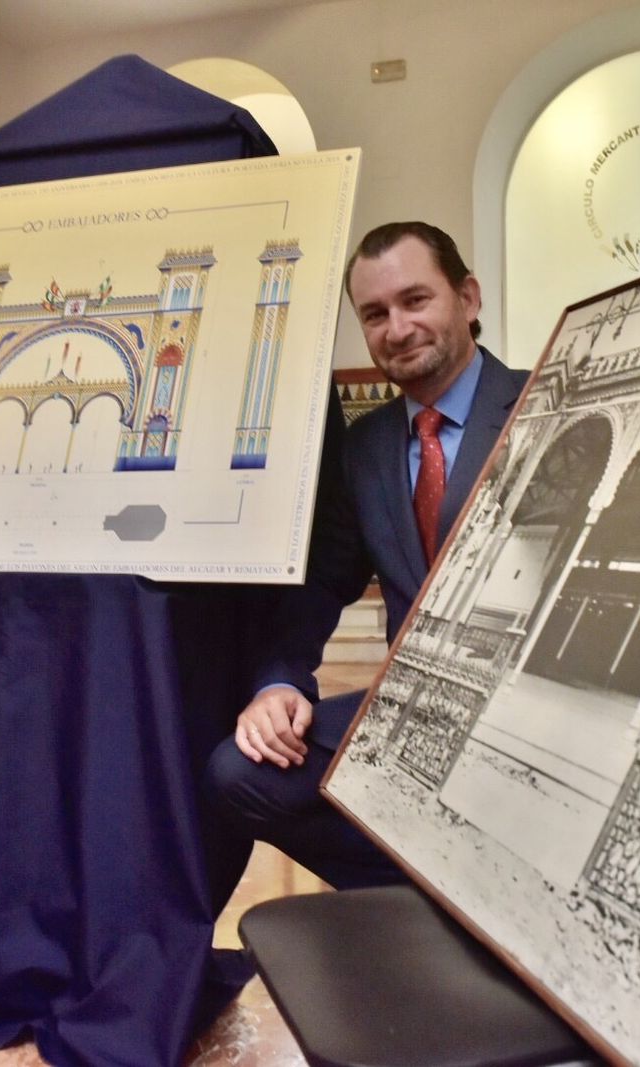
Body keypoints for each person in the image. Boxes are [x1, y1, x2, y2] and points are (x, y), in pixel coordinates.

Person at [205, 221, 530, 889]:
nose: (397, 327)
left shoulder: (545, 403)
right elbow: (322, 581)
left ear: (468, 298)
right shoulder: (366, 448)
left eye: (416, 300)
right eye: (375, 313)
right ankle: (432, 898)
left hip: (535, 722)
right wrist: (278, 684)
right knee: (239, 772)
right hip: (417, 715)